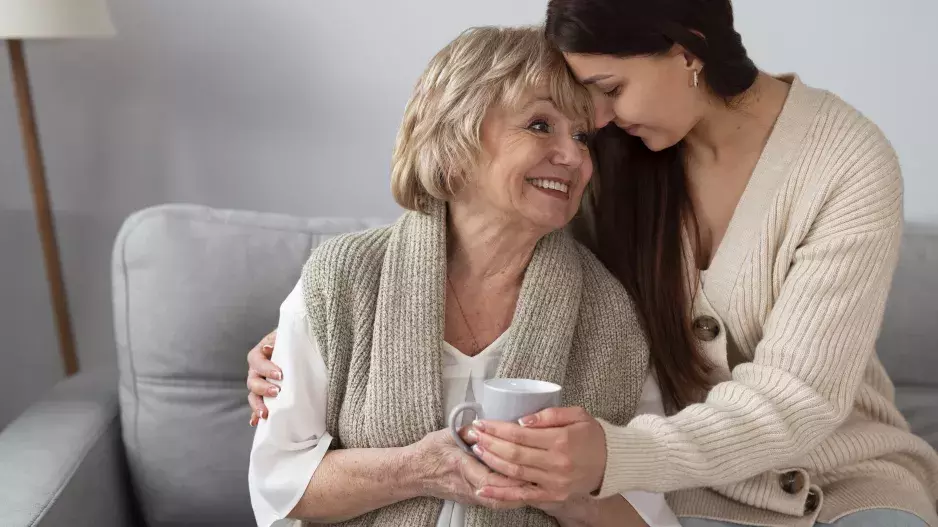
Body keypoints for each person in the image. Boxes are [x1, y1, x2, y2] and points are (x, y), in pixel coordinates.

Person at [248, 2, 938, 526]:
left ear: (686, 49)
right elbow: (473, 203)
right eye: (579, 105)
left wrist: (611, 456)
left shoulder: (846, 161)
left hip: (842, 481)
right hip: (692, 497)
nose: (595, 122)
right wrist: (312, 333)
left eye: (607, 88)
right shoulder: (607, 151)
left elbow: (801, 397)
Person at [248, 26, 678, 527]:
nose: (574, 156)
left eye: (582, 136)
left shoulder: (608, 312)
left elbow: (648, 514)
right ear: (458, 136)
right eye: (540, 125)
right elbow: (280, 485)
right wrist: (419, 469)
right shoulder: (344, 280)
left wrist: (559, 493)